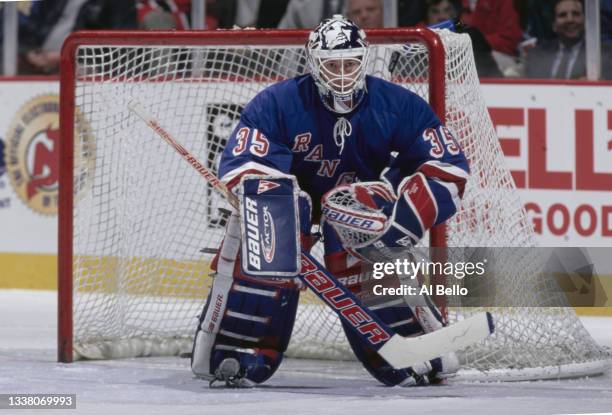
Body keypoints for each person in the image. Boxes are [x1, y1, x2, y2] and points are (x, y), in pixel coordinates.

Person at [190, 15, 469, 388]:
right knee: (264, 227)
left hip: (355, 209)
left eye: (350, 63)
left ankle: (415, 341)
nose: (342, 73)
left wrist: (400, 222)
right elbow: (246, 162)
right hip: (293, 205)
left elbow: (446, 166)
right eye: (332, 64)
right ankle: (236, 348)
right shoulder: (279, 101)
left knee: (359, 225)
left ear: (363, 60)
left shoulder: (395, 103)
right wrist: (256, 193)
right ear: (314, 63)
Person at [525, 0, 612, 79]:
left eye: (576, 14)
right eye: (562, 15)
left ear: (585, 21)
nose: (570, 19)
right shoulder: (535, 56)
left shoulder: (605, 55)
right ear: (554, 25)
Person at [423, 0, 502, 77]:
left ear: (455, 13)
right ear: (426, 15)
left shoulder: (471, 34)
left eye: (447, 10)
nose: (442, 16)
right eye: (435, 12)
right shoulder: (417, 39)